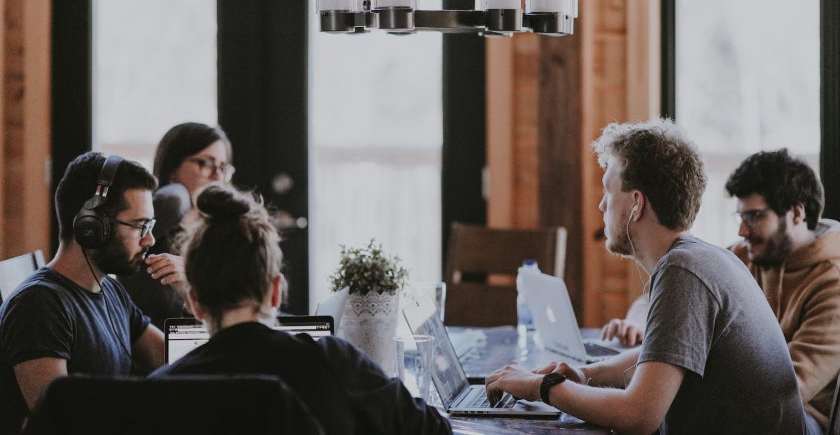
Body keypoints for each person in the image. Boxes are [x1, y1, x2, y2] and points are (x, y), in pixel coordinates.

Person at [485, 119, 805, 434]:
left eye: (608, 192)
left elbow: (638, 416)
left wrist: (541, 387)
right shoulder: (706, 258)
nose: (601, 204)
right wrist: (585, 374)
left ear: (636, 204)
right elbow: (662, 354)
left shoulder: (683, 270)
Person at [149, 183, 451, 435]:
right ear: (276, 291)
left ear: (195, 303)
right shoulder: (333, 363)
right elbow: (434, 430)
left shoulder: (162, 389)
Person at [0, 152, 180, 434]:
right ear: (91, 227)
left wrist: (195, 292)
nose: (150, 240)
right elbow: (59, 422)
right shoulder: (38, 305)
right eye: (139, 226)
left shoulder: (110, 291)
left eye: (150, 226)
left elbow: (175, 361)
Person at [725, 148, 840, 435]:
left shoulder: (833, 281)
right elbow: (670, 297)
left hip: (799, 417)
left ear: (797, 212)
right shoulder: (744, 255)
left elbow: (789, 388)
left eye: (754, 216)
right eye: (740, 216)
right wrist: (637, 323)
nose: (742, 230)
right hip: (740, 402)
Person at [118, 122, 234, 330]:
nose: (217, 176)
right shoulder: (161, 213)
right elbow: (172, 200)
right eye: (206, 164)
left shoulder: (223, 227)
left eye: (223, 168)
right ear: (172, 168)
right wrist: (179, 192)